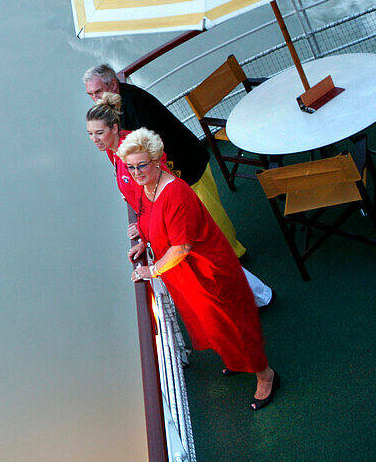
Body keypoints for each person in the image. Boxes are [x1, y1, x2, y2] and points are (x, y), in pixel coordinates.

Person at [120, 128, 279, 410]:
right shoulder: (147, 189)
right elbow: (149, 220)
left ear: (158, 160)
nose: (136, 171)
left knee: (234, 324)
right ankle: (238, 361)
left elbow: (181, 248)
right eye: (131, 166)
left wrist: (152, 270)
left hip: (209, 273)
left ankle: (265, 375)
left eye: (142, 164)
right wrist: (145, 241)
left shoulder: (175, 193)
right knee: (215, 326)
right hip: (188, 276)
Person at [86, 94, 271, 308]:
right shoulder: (114, 152)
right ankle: (248, 300)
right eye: (90, 133)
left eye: (100, 132)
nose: (95, 139)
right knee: (206, 263)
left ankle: (261, 296)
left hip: (173, 215)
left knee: (210, 259)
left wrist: (152, 239)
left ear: (115, 128)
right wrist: (144, 233)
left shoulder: (132, 152)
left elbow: (155, 187)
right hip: (165, 217)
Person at [83, 63, 246, 258]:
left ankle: (235, 254)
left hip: (186, 164)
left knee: (209, 214)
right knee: (200, 216)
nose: (95, 99)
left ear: (113, 85)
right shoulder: (117, 106)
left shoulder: (133, 104)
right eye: (91, 95)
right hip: (179, 166)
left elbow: (148, 150)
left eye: (98, 91)